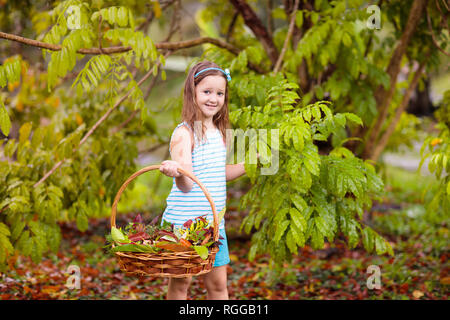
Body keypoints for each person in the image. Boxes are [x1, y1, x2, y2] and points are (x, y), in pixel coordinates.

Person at [159, 61, 247, 300]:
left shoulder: (219, 132)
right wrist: (177, 173)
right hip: (184, 224)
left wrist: (250, 165)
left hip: (214, 224)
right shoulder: (184, 133)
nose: (213, 98)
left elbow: (218, 174)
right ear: (193, 92)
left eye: (219, 93)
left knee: (218, 284)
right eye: (207, 91)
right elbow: (188, 184)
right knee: (181, 282)